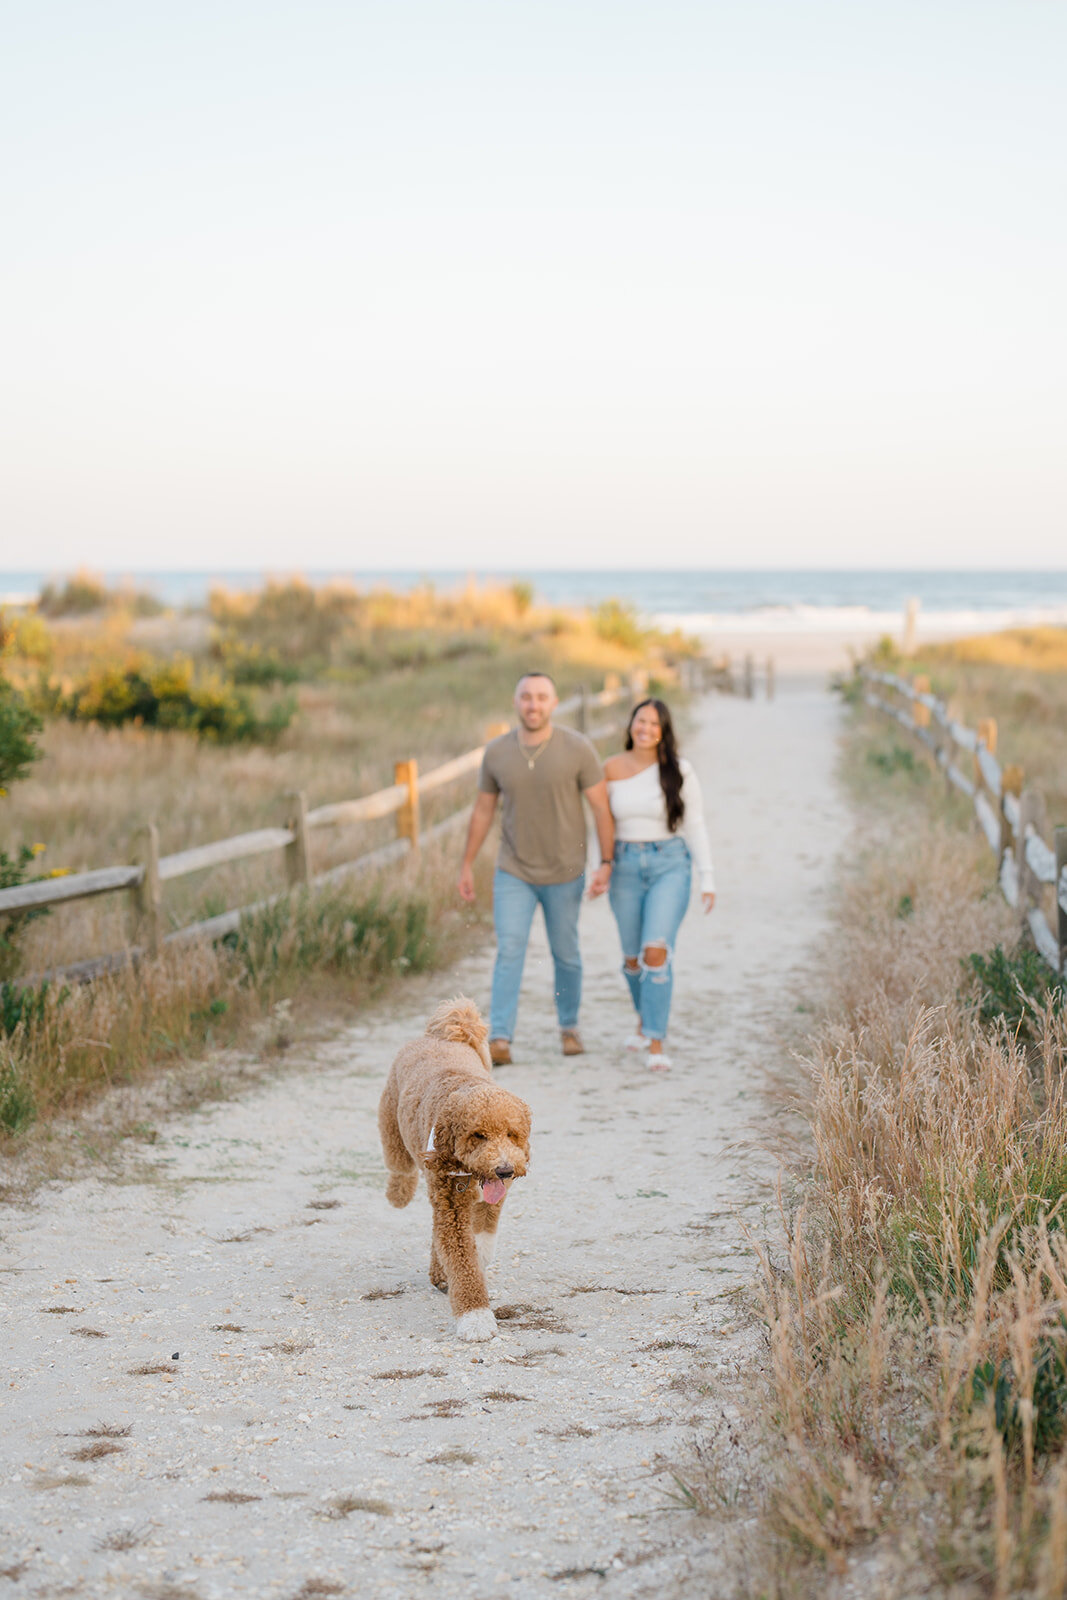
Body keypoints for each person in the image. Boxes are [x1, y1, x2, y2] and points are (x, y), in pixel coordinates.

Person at [457, 671, 614, 1064]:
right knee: (510, 949)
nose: (534, 704)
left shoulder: (577, 749)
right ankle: (501, 1038)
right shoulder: (496, 752)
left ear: (554, 703)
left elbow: (600, 807)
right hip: (514, 870)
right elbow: (482, 811)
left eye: (542, 697)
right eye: (526, 697)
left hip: (565, 870)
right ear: (516, 702)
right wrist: (466, 864)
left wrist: (607, 862)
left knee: (566, 953)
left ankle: (569, 1027)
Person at [603, 698, 714, 1071]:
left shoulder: (678, 769)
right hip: (625, 866)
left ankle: (656, 1042)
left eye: (654, 723)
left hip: (670, 863)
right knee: (632, 959)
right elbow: (601, 823)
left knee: (655, 952)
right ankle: (644, 1018)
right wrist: (600, 868)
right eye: (641, 720)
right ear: (631, 724)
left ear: (663, 731)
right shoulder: (611, 768)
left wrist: (707, 877)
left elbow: (694, 823)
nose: (646, 728)